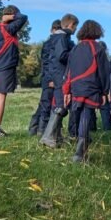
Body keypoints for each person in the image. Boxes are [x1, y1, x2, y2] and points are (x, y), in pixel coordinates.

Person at [63, 20, 111, 163]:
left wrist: (66, 90)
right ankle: (80, 153)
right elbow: (104, 72)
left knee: (78, 115)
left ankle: (79, 148)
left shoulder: (75, 49)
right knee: (86, 116)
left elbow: (69, 71)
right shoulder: (98, 48)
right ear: (97, 31)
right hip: (91, 87)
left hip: (76, 87)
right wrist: (105, 92)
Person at [0, 5, 28, 137]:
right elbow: (24, 17)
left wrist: (5, 19)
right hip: (5, 67)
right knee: (1, 97)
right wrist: (9, 17)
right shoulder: (8, 28)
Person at [39, 13, 78, 148]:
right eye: (75, 27)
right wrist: (75, 54)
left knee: (60, 105)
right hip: (60, 75)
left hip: (58, 74)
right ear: (71, 25)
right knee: (60, 106)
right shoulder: (61, 37)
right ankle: (48, 136)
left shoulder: (60, 37)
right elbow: (61, 55)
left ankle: (56, 136)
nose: (75, 30)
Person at [28, 19, 61, 136]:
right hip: (49, 78)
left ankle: (34, 128)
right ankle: (41, 130)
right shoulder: (50, 43)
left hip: (50, 77)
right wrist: (51, 79)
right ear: (53, 30)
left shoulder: (51, 42)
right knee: (46, 104)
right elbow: (47, 63)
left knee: (44, 103)